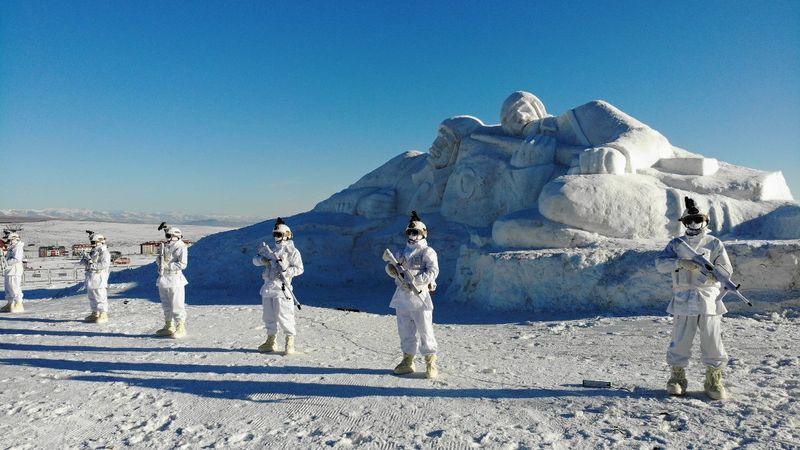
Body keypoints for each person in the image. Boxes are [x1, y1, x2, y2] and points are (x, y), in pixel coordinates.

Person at [655, 197, 732, 400]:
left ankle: (713, 379)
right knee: (680, 339)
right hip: (682, 298)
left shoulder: (714, 243)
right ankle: (677, 377)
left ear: (705, 221)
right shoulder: (676, 244)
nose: (693, 224)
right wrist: (680, 262)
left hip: (708, 298)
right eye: (688, 221)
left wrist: (711, 273)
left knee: (712, 339)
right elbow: (661, 264)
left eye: (697, 219)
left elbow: (726, 270)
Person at [385, 211, 440, 378]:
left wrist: (416, 280)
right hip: (403, 296)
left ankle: (431, 362)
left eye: (415, 232)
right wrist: (392, 270)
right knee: (405, 330)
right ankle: (408, 360)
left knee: (425, 330)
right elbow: (392, 267)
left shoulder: (427, 252)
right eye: (409, 232)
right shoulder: (403, 252)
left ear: (423, 233)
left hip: (420, 296)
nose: (411, 235)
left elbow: (433, 271)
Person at [253, 217, 304, 355]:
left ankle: (289, 340)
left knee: (285, 315)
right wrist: (262, 260)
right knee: (268, 316)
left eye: (279, 234)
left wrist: (286, 270)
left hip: (282, 288)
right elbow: (255, 260)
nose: (276, 237)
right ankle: (271, 340)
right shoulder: (271, 250)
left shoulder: (292, 252)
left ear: (286, 235)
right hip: (268, 287)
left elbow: (299, 268)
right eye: (275, 234)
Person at [155, 226, 189, 338]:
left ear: (176, 236)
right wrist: (159, 261)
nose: (167, 238)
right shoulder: (165, 246)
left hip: (175, 279)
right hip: (163, 278)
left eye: (169, 236)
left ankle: (181, 327)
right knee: (166, 304)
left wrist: (168, 265)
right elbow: (160, 260)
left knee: (177, 304)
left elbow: (183, 264)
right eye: (167, 235)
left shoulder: (181, 247)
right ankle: (169, 326)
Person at [80, 233, 111, 323]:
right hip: (91, 277)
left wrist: (92, 265)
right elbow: (88, 262)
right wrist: (85, 261)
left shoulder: (104, 252)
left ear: (99, 242)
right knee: (92, 296)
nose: (92, 243)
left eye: (93, 241)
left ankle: (103, 314)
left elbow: (104, 264)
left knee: (100, 296)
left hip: (99, 277)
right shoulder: (93, 251)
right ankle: (95, 312)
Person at [1, 231, 25, 313]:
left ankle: (18, 303)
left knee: (14, 286)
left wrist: (6, 262)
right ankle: (10, 303)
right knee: (8, 287)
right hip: (9, 270)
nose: (8, 242)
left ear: (13, 239)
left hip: (15, 270)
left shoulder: (18, 247)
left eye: (9, 240)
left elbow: (17, 259)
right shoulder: (11, 247)